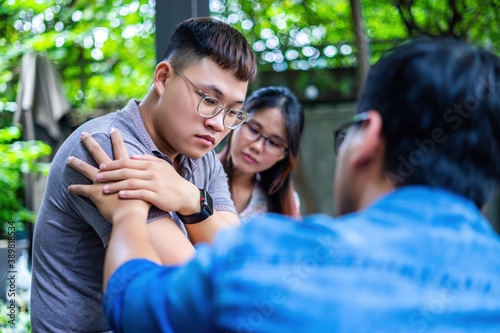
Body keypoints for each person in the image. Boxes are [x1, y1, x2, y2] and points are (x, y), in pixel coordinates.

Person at [68, 37, 500, 332]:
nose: (219, 125)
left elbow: (135, 301)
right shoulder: (159, 149)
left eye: (231, 111)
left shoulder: (271, 255)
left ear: (366, 137)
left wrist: (129, 212)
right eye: (249, 126)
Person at [30, 17, 256, 332]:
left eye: (232, 112)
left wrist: (191, 198)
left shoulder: (201, 156)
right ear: (163, 77)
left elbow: (237, 255)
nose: (219, 124)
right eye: (209, 101)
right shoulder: (106, 145)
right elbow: (198, 291)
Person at [218, 86, 304, 222]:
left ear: (284, 155)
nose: (257, 147)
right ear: (237, 119)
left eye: (274, 143)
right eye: (253, 129)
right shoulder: (193, 169)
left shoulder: (285, 205)